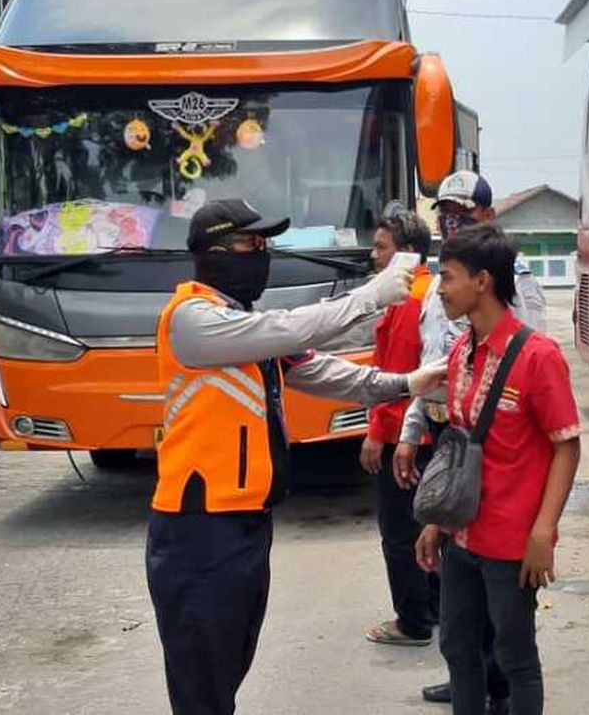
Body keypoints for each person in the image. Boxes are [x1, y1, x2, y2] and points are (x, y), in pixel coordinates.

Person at [146, 199, 446, 715]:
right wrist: (370, 296)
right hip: (198, 528)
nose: (261, 255)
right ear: (212, 252)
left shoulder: (243, 323)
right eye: (249, 245)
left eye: (265, 245)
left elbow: (323, 371)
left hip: (245, 522)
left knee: (228, 665)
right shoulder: (192, 321)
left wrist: (406, 383)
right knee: (202, 680)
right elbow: (292, 329)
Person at [408, 223, 582, 715]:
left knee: (514, 658)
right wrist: (436, 521)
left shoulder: (538, 356)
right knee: (458, 650)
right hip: (461, 539)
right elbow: (461, 446)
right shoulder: (461, 351)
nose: (439, 288)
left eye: (448, 276)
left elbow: (566, 448)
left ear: (482, 281)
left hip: (512, 543)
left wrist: (543, 532)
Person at [393, 170, 546, 711]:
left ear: (485, 214)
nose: (447, 217)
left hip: (502, 445)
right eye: (443, 209)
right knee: (459, 612)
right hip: (454, 436)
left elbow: (531, 379)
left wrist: (542, 528)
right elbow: (431, 364)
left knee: (507, 625)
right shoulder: (445, 288)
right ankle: (472, 679)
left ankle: (496, 685)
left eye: (459, 209)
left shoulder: (510, 281)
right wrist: (413, 432)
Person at [360, 211, 440, 647]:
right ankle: (434, 607)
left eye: (381, 248)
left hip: (406, 436)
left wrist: (377, 432)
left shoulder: (407, 300)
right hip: (432, 432)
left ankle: (412, 622)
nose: (374, 257)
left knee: (399, 532)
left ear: (406, 253)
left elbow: (396, 376)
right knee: (430, 523)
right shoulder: (433, 291)